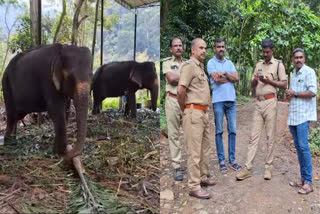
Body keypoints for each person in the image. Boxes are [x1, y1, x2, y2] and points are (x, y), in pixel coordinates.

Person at [236, 38, 287, 181]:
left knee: (270, 136)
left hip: (271, 102)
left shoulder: (278, 65)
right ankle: (247, 168)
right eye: (263, 52)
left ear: (272, 51)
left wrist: (268, 81)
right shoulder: (258, 64)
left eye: (267, 52)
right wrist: (255, 80)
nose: (265, 54)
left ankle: (268, 168)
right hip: (258, 103)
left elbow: (283, 84)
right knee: (253, 136)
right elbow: (253, 84)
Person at [177, 38, 216, 199]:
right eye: (200, 48)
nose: (204, 50)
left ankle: (201, 177)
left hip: (204, 113)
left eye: (205, 48)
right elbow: (181, 90)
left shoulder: (200, 68)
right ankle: (193, 186)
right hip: (193, 112)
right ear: (193, 50)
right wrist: (184, 110)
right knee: (194, 150)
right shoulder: (189, 66)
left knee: (205, 148)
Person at [207, 38, 241, 173]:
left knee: (232, 130)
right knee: (219, 131)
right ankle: (222, 161)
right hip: (218, 101)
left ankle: (232, 160)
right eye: (218, 47)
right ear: (215, 49)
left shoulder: (230, 63)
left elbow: (236, 78)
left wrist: (225, 74)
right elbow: (216, 80)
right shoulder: (211, 63)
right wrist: (229, 77)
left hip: (231, 101)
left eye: (222, 46)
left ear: (224, 48)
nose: (221, 49)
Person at [286, 48, 317, 195]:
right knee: (299, 148)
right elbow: (293, 92)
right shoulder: (293, 72)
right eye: (296, 58)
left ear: (304, 58)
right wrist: (290, 94)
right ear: (293, 60)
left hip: (304, 116)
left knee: (304, 147)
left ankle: (309, 182)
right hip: (293, 115)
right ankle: (303, 179)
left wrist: (296, 93)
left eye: (300, 57)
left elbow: (312, 92)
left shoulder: (309, 72)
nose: (298, 60)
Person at [163, 38, 186, 181]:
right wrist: (186, 77)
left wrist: (180, 78)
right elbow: (171, 79)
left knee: (191, 133)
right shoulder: (167, 63)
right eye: (175, 46)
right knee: (173, 134)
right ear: (171, 49)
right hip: (172, 100)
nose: (178, 48)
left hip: (187, 101)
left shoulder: (188, 63)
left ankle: (197, 166)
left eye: (180, 45)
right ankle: (177, 166)